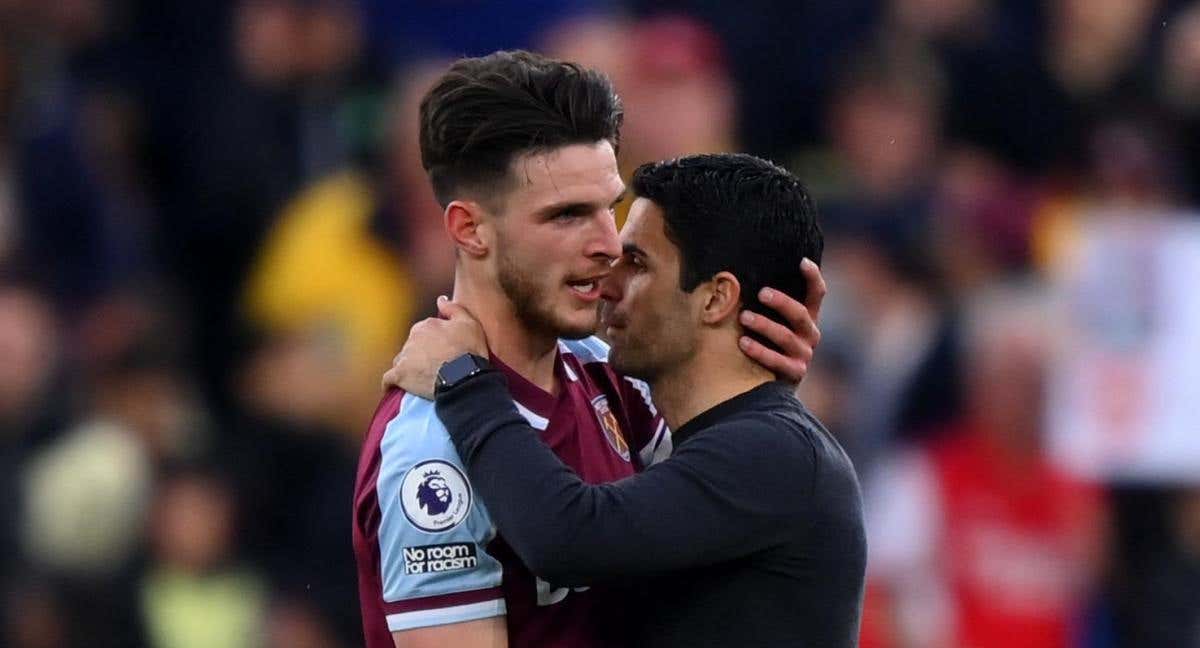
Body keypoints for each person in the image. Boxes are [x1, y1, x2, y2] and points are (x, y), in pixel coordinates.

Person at [352, 51, 825, 648]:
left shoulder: (613, 375)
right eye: (568, 215)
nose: (609, 243)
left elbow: (723, 507)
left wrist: (755, 384)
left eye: (610, 205)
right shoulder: (430, 449)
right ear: (469, 229)